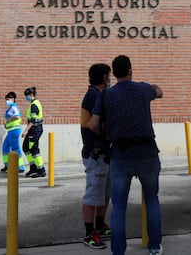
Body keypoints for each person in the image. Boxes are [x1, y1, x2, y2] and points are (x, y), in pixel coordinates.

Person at [90, 55, 163, 255]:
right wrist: (153, 86)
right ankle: (155, 247)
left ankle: (119, 251)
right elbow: (159, 92)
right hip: (147, 152)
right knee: (152, 200)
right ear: (130, 70)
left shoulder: (106, 95)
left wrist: (106, 132)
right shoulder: (142, 89)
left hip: (120, 155)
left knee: (119, 205)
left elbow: (93, 124)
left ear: (113, 73)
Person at [80, 63, 112, 249]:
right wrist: (109, 133)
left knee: (104, 192)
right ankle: (89, 232)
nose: (110, 79)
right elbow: (93, 125)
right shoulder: (94, 96)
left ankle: (100, 226)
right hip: (95, 153)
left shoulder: (97, 94)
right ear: (104, 77)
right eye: (109, 75)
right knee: (93, 193)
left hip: (102, 153)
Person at [22, 87, 46, 178]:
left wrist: (25, 131)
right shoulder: (33, 103)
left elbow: (32, 120)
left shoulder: (34, 105)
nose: (26, 98)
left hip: (35, 130)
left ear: (31, 95)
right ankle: (33, 167)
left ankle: (41, 170)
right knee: (26, 148)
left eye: (26, 96)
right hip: (33, 130)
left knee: (34, 150)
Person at [0, 92, 25, 173]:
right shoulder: (11, 107)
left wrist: (8, 121)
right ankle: (7, 165)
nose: (7, 101)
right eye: (6, 99)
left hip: (14, 130)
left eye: (8, 99)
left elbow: (17, 116)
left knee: (15, 148)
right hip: (11, 130)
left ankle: (20, 166)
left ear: (13, 99)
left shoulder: (14, 107)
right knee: (5, 147)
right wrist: (6, 123)